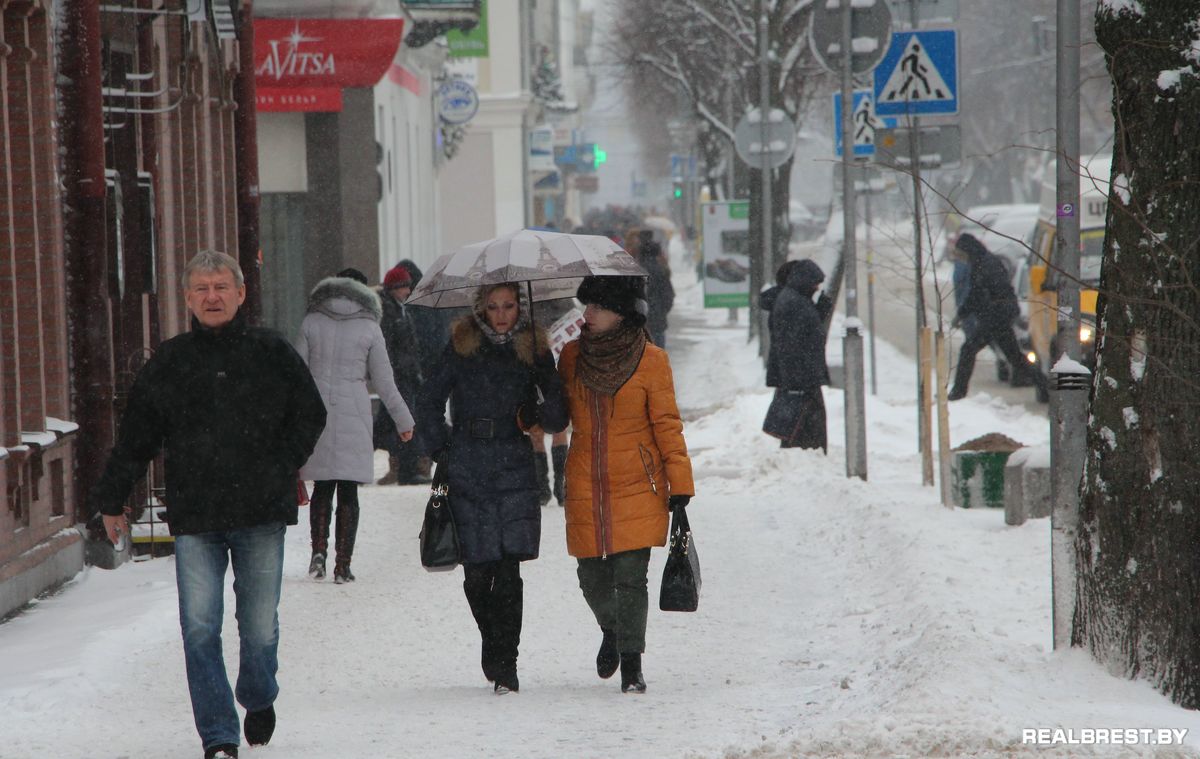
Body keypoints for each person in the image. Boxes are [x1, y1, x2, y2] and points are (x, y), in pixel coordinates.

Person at [91, 250, 327, 759]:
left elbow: (311, 413)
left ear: (241, 294)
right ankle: (219, 735)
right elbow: (137, 436)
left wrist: (280, 464)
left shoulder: (271, 351)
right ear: (188, 299)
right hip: (196, 515)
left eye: (221, 286)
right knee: (200, 628)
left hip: (260, 511)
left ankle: (259, 695)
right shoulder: (172, 362)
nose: (212, 296)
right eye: (201, 288)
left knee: (259, 628)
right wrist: (112, 499)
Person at [415, 282, 567, 695]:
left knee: (509, 567)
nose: (503, 314)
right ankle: (491, 641)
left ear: (521, 307)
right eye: (495, 306)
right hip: (467, 462)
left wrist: (541, 405)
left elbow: (556, 412)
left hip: (515, 463)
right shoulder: (461, 345)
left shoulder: (534, 348)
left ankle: (508, 663)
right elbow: (428, 400)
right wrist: (441, 447)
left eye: (510, 306)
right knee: (477, 570)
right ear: (481, 308)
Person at [557, 275, 695, 694]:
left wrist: (680, 484)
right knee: (591, 576)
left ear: (622, 314)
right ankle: (612, 630)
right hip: (585, 479)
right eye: (587, 307)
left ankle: (632, 664)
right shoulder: (571, 357)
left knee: (631, 576)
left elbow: (667, 424)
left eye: (597, 307)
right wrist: (532, 405)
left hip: (639, 481)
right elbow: (555, 416)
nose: (588, 315)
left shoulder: (652, 360)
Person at [296, 268, 415, 584]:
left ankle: (318, 552)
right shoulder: (370, 327)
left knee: (322, 485)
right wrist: (404, 421)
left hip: (316, 410)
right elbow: (385, 382)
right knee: (348, 490)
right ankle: (342, 565)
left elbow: (296, 373)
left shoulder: (311, 321)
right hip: (354, 409)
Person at [947, 233, 1049, 401]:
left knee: (968, 349)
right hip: (997, 316)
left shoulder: (986, 265)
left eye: (960, 253)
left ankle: (959, 390)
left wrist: (965, 314)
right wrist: (963, 314)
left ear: (968, 250)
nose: (960, 258)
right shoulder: (981, 262)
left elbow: (984, 293)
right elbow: (977, 294)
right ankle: (1043, 385)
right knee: (1014, 357)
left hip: (995, 317)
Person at [762, 260, 833, 452]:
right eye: (815, 284)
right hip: (802, 381)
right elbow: (794, 344)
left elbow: (803, 335)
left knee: (800, 432)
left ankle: (806, 460)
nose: (817, 288)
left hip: (801, 380)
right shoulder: (794, 303)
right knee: (807, 434)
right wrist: (799, 382)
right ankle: (808, 463)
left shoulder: (796, 300)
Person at [374, 263, 428, 486]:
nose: (408, 291)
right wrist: (404, 369)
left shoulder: (399, 309)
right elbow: (390, 346)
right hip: (399, 376)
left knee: (391, 422)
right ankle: (408, 469)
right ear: (394, 288)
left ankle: (404, 467)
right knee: (404, 421)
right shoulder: (389, 311)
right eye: (404, 287)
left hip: (404, 375)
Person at [634, 229, 675, 348]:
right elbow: (669, 294)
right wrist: (663, 310)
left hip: (641, 319)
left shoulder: (636, 271)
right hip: (658, 316)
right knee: (659, 348)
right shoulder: (662, 270)